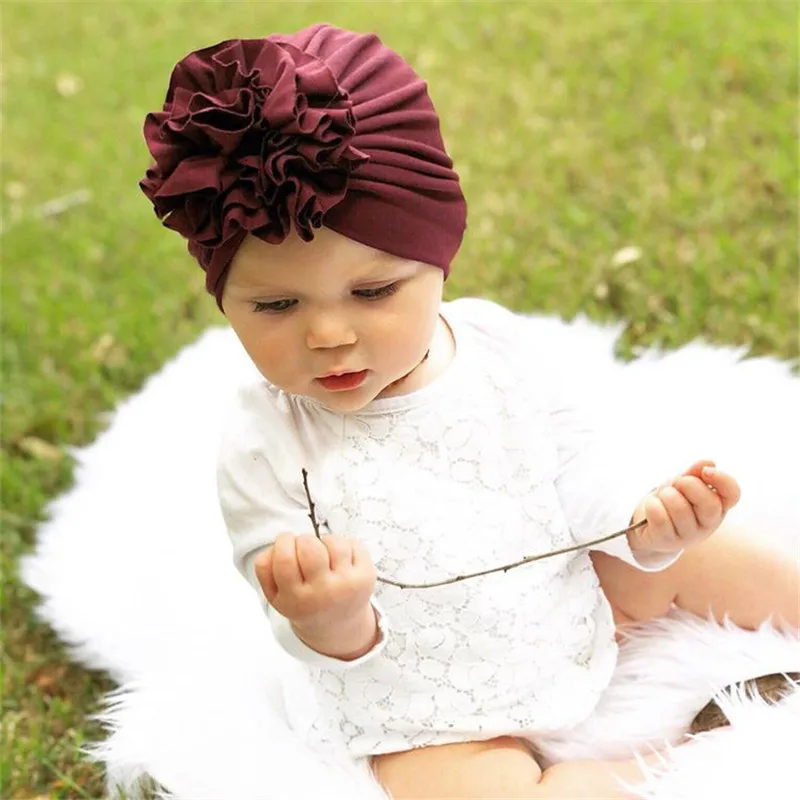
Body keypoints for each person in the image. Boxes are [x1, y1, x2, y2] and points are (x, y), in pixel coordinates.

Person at [140, 24, 798, 799]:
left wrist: (646, 528)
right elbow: (289, 606)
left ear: (438, 261)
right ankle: (648, 768)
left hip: (562, 611)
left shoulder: (495, 346)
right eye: (277, 306)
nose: (328, 334)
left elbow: (578, 468)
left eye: (373, 292)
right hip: (427, 703)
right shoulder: (266, 438)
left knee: (705, 558)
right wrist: (330, 618)